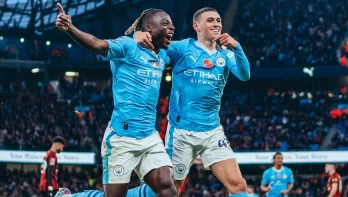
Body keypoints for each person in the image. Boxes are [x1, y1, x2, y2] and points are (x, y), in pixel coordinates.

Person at [57, 7, 250, 197]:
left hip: (174, 135)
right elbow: (104, 45)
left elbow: (244, 75)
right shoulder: (158, 47)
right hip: (148, 134)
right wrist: (135, 36)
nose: (216, 23)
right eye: (210, 20)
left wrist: (237, 47)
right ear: (196, 26)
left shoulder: (215, 53)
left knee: (175, 188)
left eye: (218, 20)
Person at [55, 3, 176, 197]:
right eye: (166, 23)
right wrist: (70, 28)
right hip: (122, 137)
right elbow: (97, 44)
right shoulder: (128, 46)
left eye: (172, 24)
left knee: (167, 189)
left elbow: (191, 50)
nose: (172, 27)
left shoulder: (163, 54)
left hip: (149, 137)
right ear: (148, 28)